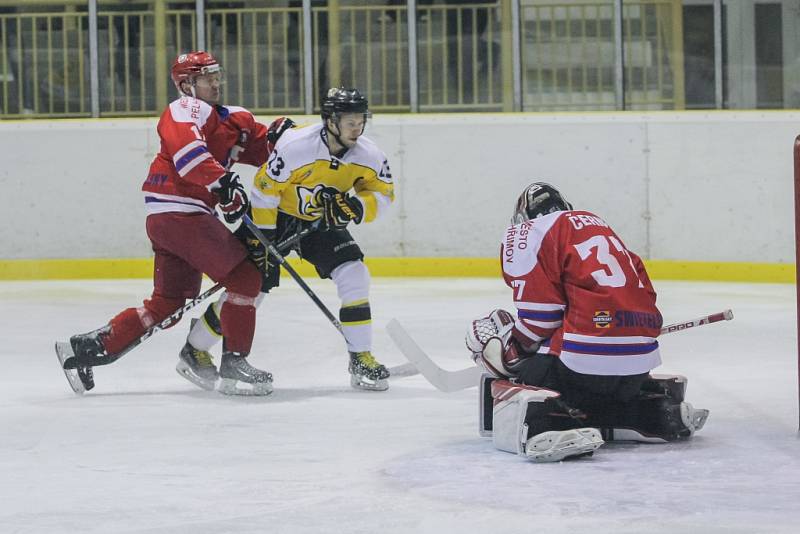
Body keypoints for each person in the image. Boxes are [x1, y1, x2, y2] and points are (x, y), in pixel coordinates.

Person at [59, 50, 290, 396]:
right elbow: (189, 155)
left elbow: (267, 150)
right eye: (205, 78)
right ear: (185, 84)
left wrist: (288, 138)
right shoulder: (184, 109)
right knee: (246, 277)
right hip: (181, 213)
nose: (215, 82)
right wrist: (222, 183)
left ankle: (86, 349)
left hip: (173, 218)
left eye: (216, 76)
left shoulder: (232, 119)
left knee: (168, 304)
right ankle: (234, 365)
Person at [466, 182, 709, 462]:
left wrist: (512, 349)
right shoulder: (602, 229)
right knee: (602, 376)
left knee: (509, 366)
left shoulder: (531, 232)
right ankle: (655, 412)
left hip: (578, 373)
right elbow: (647, 301)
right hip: (637, 370)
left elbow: (540, 319)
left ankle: (551, 421)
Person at [183, 87, 395, 391]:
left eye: (361, 121)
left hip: (318, 221)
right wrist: (265, 241)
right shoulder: (298, 147)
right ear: (331, 121)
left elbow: (384, 193)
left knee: (355, 273)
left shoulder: (369, 155)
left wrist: (356, 206)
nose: (357, 128)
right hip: (276, 216)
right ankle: (195, 347)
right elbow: (264, 189)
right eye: (350, 122)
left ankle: (360, 356)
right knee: (252, 290)